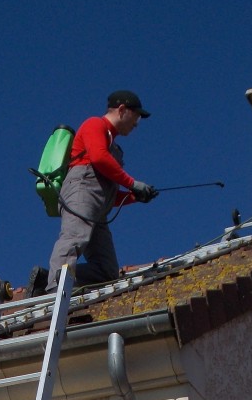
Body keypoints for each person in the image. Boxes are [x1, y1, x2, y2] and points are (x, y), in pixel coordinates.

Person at [28, 90, 158, 297]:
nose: (137, 123)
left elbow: (104, 196)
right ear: (122, 109)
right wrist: (132, 184)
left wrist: (135, 196)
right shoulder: (95, 125)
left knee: (107, 271)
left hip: (97, 208)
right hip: (79, 192)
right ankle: (54, 290)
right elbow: (97, 159)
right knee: (73, 239)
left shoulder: (114, 148)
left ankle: (47, 282)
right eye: (136, 115)